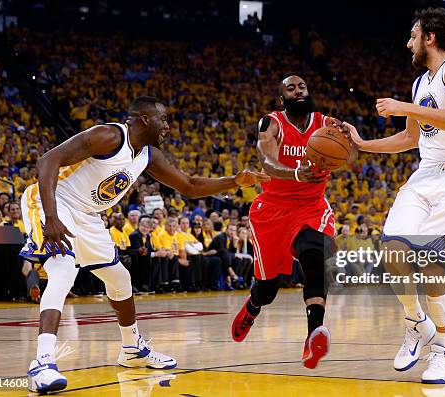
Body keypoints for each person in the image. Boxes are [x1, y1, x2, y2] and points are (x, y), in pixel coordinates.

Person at [19, 96, 268, 393]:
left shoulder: (149, 155)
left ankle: (132, 350)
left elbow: (188, 186)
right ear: (145, 119)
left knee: (120, 278)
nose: (167, 126)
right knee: (62, 270)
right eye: (163, 120)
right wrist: (50, 215)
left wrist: (234, 181)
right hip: (52, 200)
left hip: (87, 214)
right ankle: (42, 362)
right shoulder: (110, 135)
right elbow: (48, 160)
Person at [343, 7, 445, 383]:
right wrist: (363, 144)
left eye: (413, 35)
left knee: (430, 261)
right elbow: (410, 138)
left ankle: (443, 349)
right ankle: (417, 323)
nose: (407, 42)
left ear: (429, 36)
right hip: (427, 174)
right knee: (392, 249)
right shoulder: (419, 83)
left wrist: (403, 107)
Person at [231, 74, 350, 369]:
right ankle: (253, 306)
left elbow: (351, 153)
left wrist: (347, 143)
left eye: (302, 87)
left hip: (311, 206)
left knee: (314, 251)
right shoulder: (271, 123)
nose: (298, 91)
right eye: (291, 88)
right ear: (282, 97)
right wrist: (296, 174)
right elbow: (267, 162)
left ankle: (314, 334)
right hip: (272, 209)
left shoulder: (326, 124)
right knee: (267, 289)